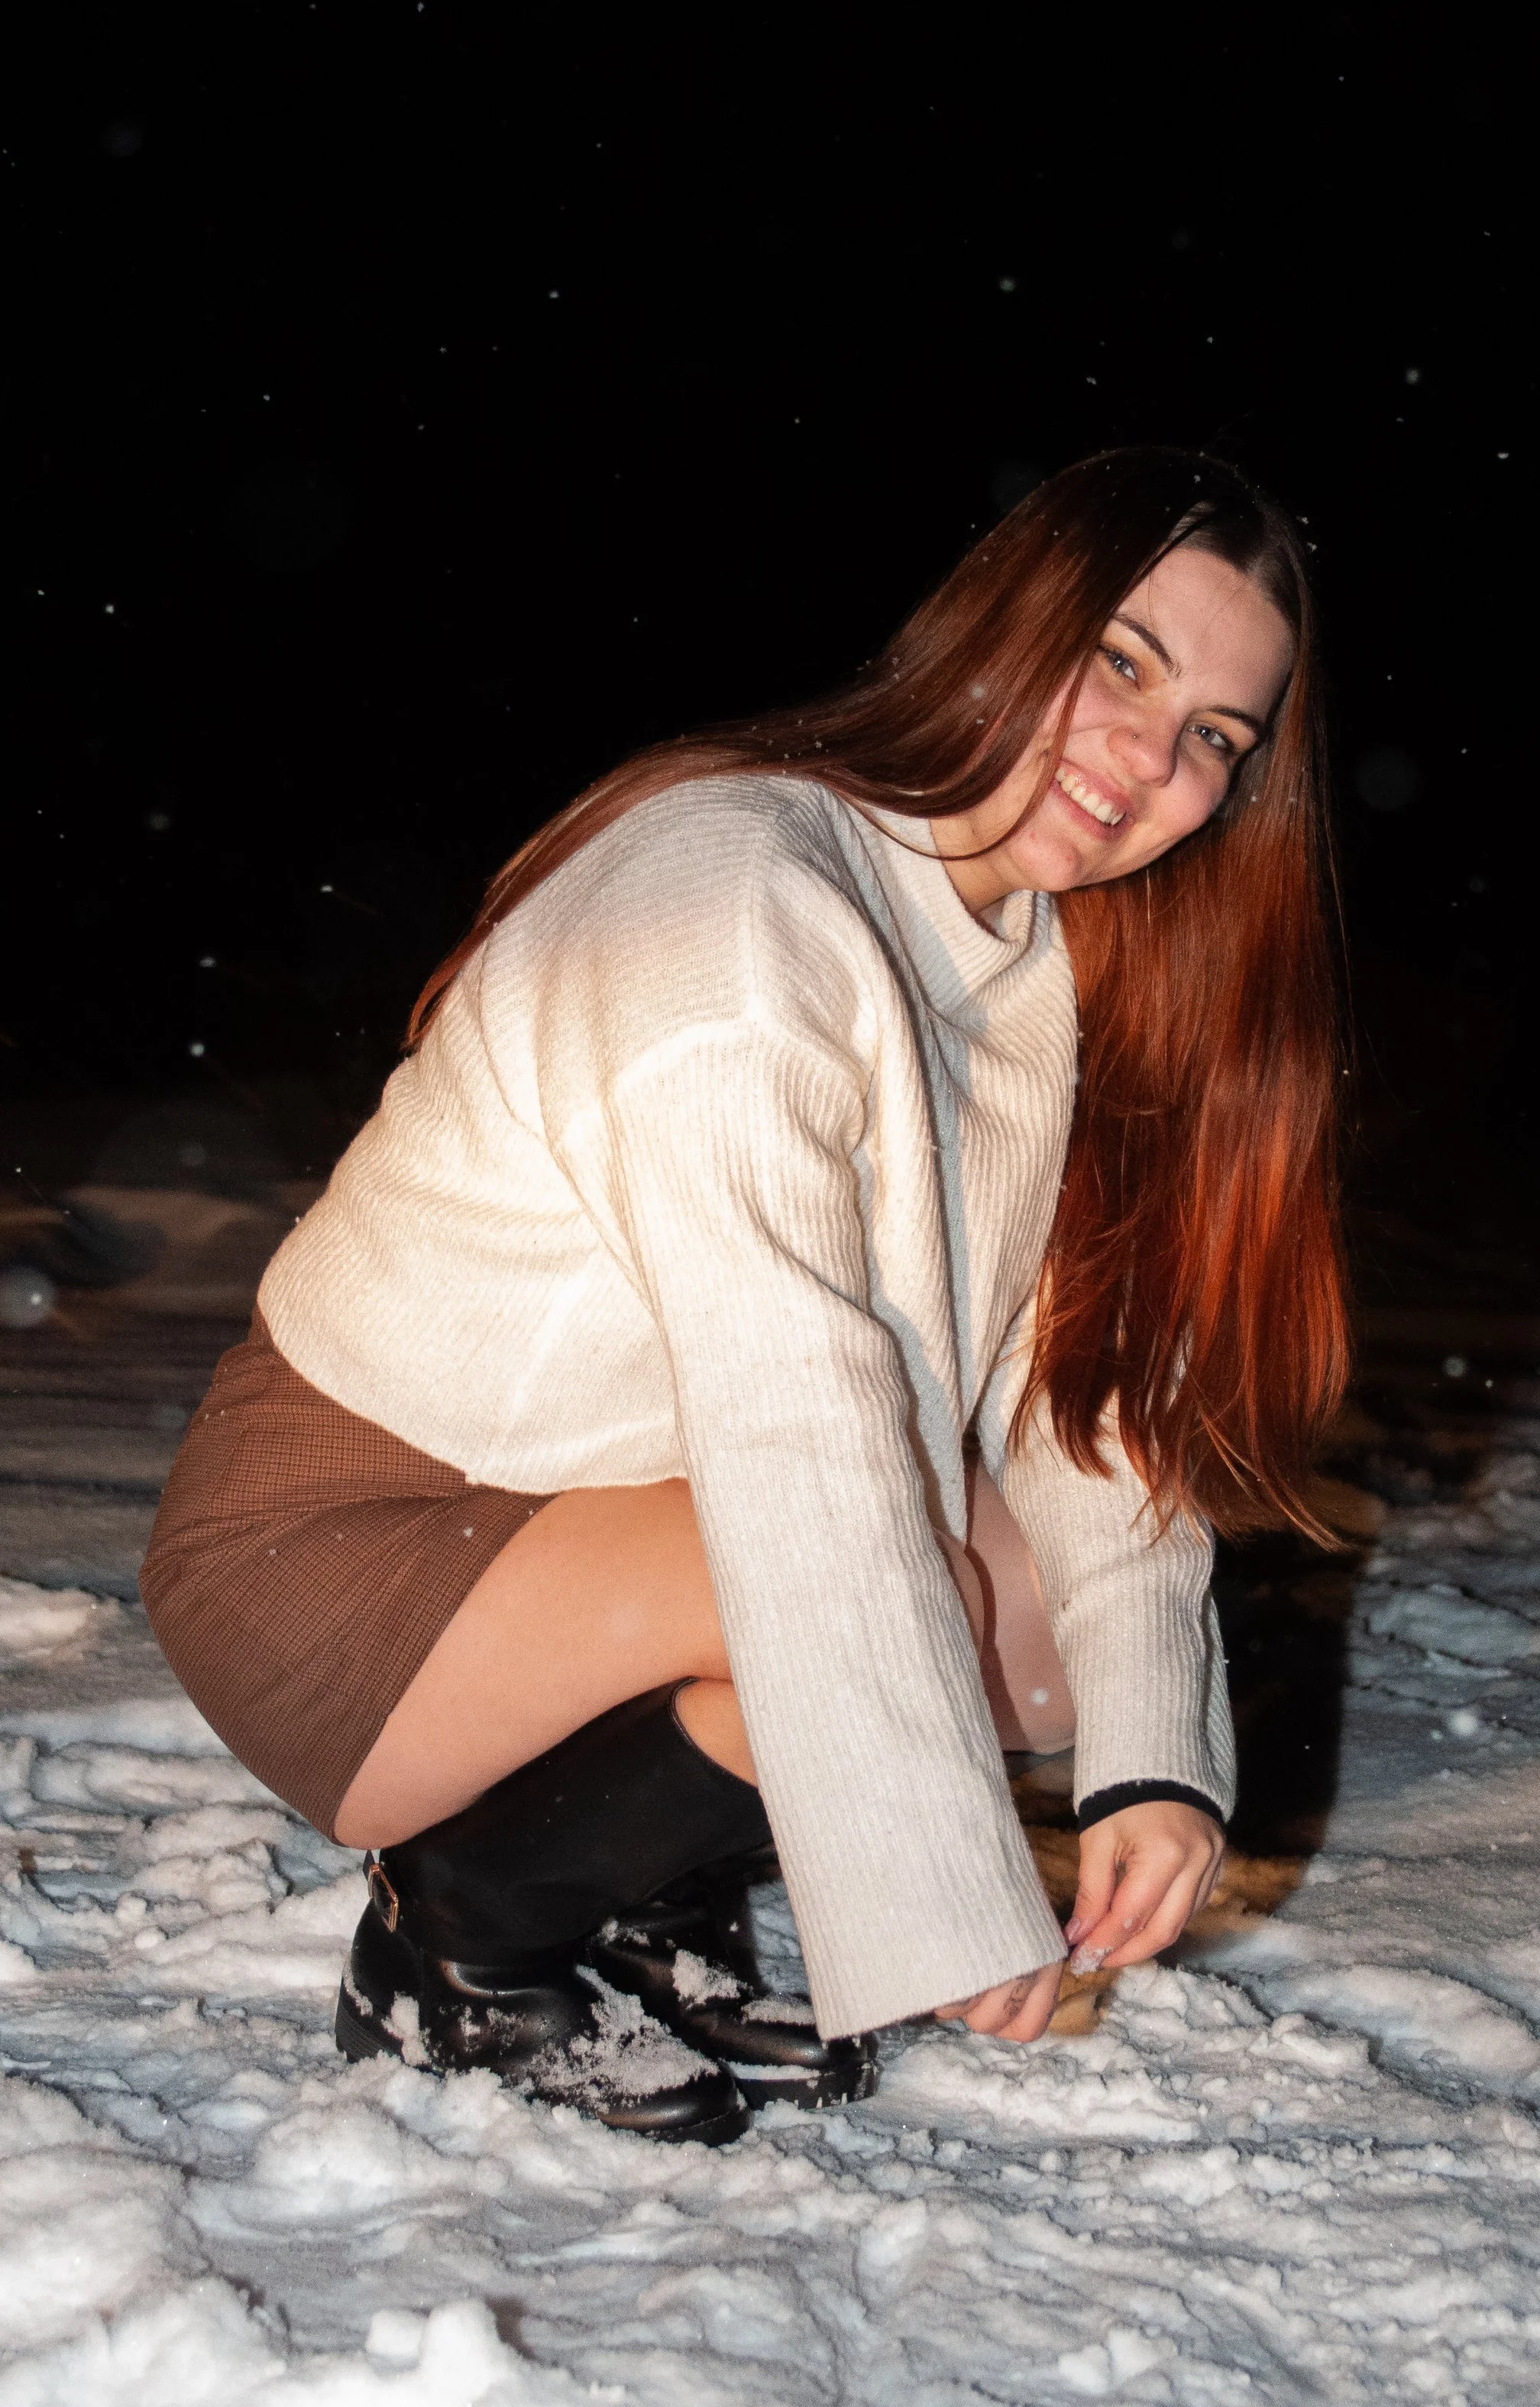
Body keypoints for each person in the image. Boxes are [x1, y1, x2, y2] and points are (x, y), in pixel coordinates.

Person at [141, 446, 1348, 2144]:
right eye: (1126, 661)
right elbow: (797, 1423)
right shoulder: (737, 897)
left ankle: (639, 1897)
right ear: (1006, 623)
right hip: (343, 1546)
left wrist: (1151, 1756)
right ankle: (465, 1942)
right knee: (896, 1575)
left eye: (1216, 735)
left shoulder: (1037, 972)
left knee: (1031, 1644)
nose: (1154, 756)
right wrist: (933, 1884)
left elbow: (1088, 1408)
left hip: (592, 1519)